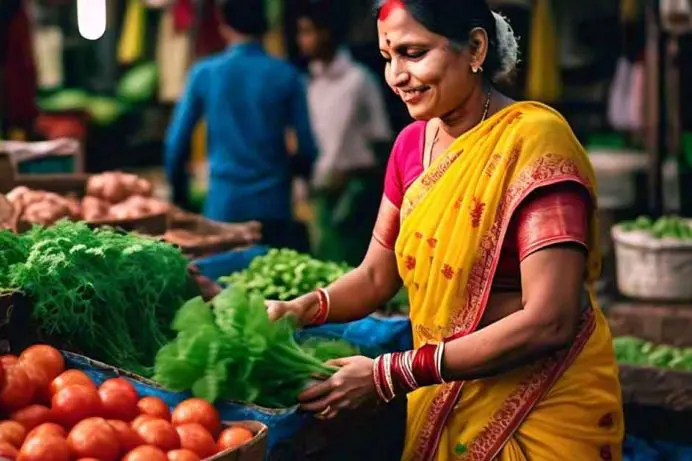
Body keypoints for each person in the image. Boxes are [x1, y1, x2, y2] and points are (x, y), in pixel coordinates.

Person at [267, 0, 624, 459]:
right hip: (445, 396)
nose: (396, 76)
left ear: (475, 47)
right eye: (387, 58)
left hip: (541, 405)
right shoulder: (410, 147)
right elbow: (377, 276)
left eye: (414, 54)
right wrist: (300, 308)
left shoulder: (533, 144)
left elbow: (549, 320)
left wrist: (388, 375)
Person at [164, 0, 318, 251]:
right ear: (266, 26)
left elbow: (175, 144)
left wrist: (179, 196)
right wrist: (292, 178)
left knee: (222, 284)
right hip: (274, 205)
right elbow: (308, 148)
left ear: (224, 25)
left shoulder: (205, 73)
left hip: (224, 205)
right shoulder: (286, 75)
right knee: (278, 282)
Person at [296, 1, 394, 265]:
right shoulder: (307, 84)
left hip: (354, 194)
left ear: (326, 33)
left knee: (353, 268)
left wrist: (358, 178)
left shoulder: (359, 81)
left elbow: (381, 141)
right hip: (320, 193)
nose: (302, 40)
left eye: (307, 32)